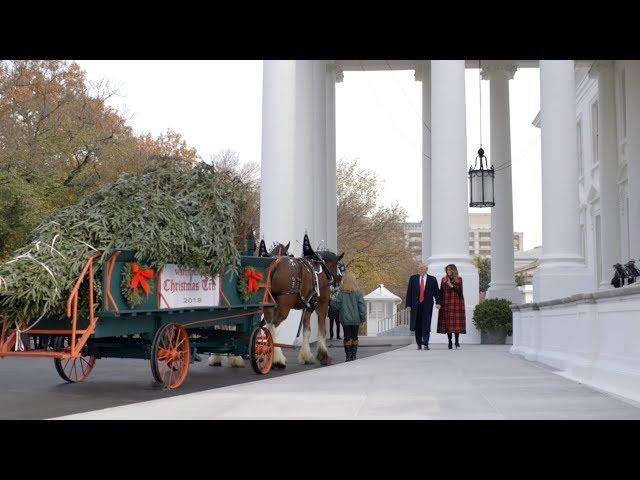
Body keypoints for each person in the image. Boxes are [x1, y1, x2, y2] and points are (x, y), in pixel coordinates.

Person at [330, 271, 366, 361]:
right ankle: (354, 356)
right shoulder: (359, 293)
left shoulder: (341, 293)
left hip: (345, 320)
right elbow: (362, 307)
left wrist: (331, 299)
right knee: (354, 337)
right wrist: (363, 318)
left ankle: (348, 356)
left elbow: (336, 306)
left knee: (347, 337)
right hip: (356, 319)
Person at [405, 262, 441, 350]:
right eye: (419, 268)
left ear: (426, 269)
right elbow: (409, 292)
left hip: (427, 305)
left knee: (426, 324)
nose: (421, 270)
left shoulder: (432, 279)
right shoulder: (413, 278)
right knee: (417, 325)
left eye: (422, 268)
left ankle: (426, 343)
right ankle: (419, 343)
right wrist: (408, 305)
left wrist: (438, 302)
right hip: (415, 305)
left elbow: (437, 292)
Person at [437, 264, 466, 349]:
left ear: (454, 270)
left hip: (456, 302)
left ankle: (456, 341)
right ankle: (450, 341)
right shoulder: (443, 279)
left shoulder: (459, 279)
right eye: (447, 270)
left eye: (450, 270)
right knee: (448, 323)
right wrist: (439, 302)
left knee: (456, 323)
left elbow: (460, 292)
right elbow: (441, 291)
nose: (448, 271)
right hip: (446, 302)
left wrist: (451, 286)